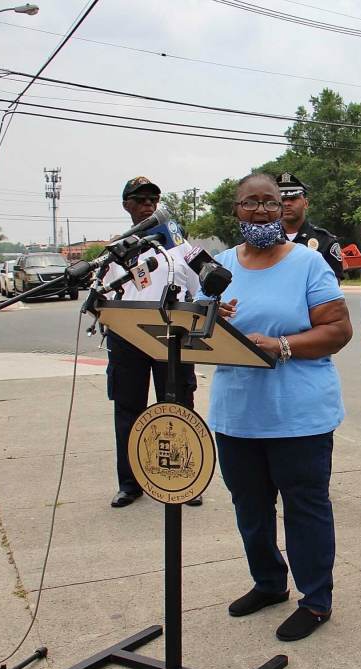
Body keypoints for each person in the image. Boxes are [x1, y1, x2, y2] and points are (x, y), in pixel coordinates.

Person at [206, 172, 352, 642]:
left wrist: (282, 345)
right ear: (236, 211)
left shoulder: (309, 264)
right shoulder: (221, 266)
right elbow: (192, 332)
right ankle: (269, 583)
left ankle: (315, 599)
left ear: (284, 208)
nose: (263, 211)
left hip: (299, 417)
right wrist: (209, 317)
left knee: (305, 509)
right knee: (250, 507)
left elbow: (338, 329)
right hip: (237, 416)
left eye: (271, 202)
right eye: (251, 203)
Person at [105, 176, 203, 508]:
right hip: (127, 336)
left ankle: (188, 478)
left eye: (153, 199)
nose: (148, 204)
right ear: (127, 205)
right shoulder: (117, 247)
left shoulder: (177, 243)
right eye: (140, 199)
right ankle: (130, 483)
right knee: (128, 410)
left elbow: (198, 281)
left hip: (170, 335)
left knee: (177, 408)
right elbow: (104, 293)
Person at [276, 172, 344, 280]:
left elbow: (332, 288)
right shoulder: (266, 240)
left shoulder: (325, 241)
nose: (286, 204)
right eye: (282, 199)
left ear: (306, 203)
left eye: (293, 198)